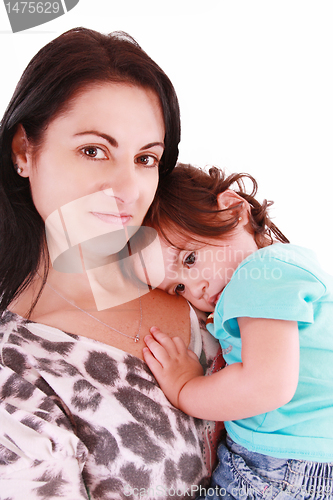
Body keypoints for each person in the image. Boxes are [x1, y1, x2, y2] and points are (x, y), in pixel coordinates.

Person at [0, 30, 223, 499]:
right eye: (94, 150)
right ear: (25, 151)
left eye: (146, 158)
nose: (126, 186)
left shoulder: (197, 278)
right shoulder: (16, 371)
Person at [138, 163, 333, 499]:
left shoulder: (258, 273)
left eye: (189, 259)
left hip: (288, 464)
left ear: (233, 209)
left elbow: (268, 384)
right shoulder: (277, 273)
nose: (195, 289)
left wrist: (186, 388)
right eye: (178, 288)